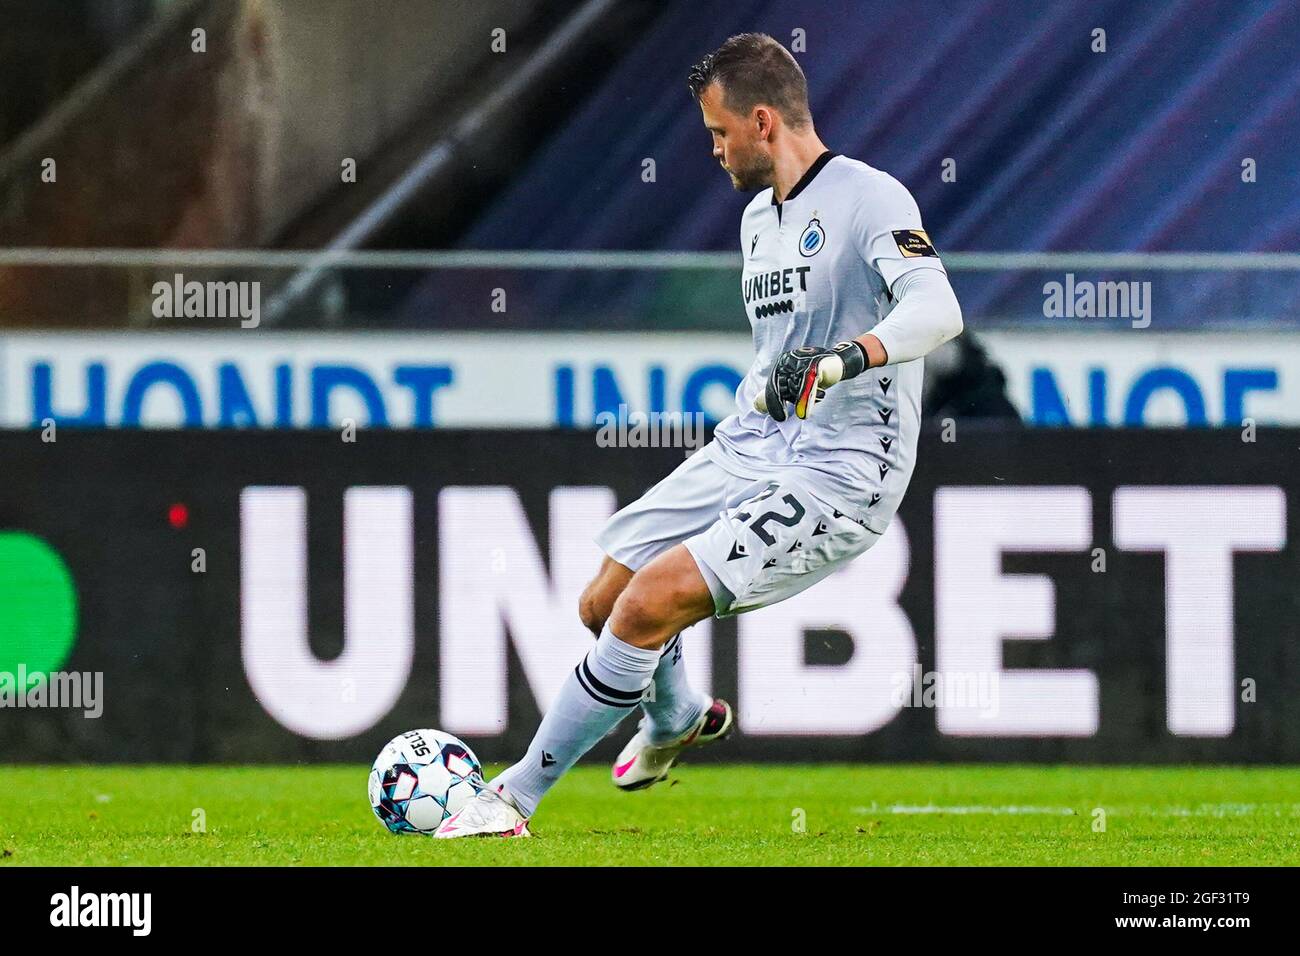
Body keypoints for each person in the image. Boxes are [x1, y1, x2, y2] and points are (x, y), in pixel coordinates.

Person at [436, 32, 963, 838]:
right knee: (604, 601)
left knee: (650, 602)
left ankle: (511, 798)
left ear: (762, 121)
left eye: (718, 133)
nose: (712, 150)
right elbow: (778, 353)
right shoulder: (758, 221)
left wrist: (848, 358)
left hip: (844, 470)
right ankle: (676, 714)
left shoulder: (871, 198)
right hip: (753, 445)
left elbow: (938, 310)